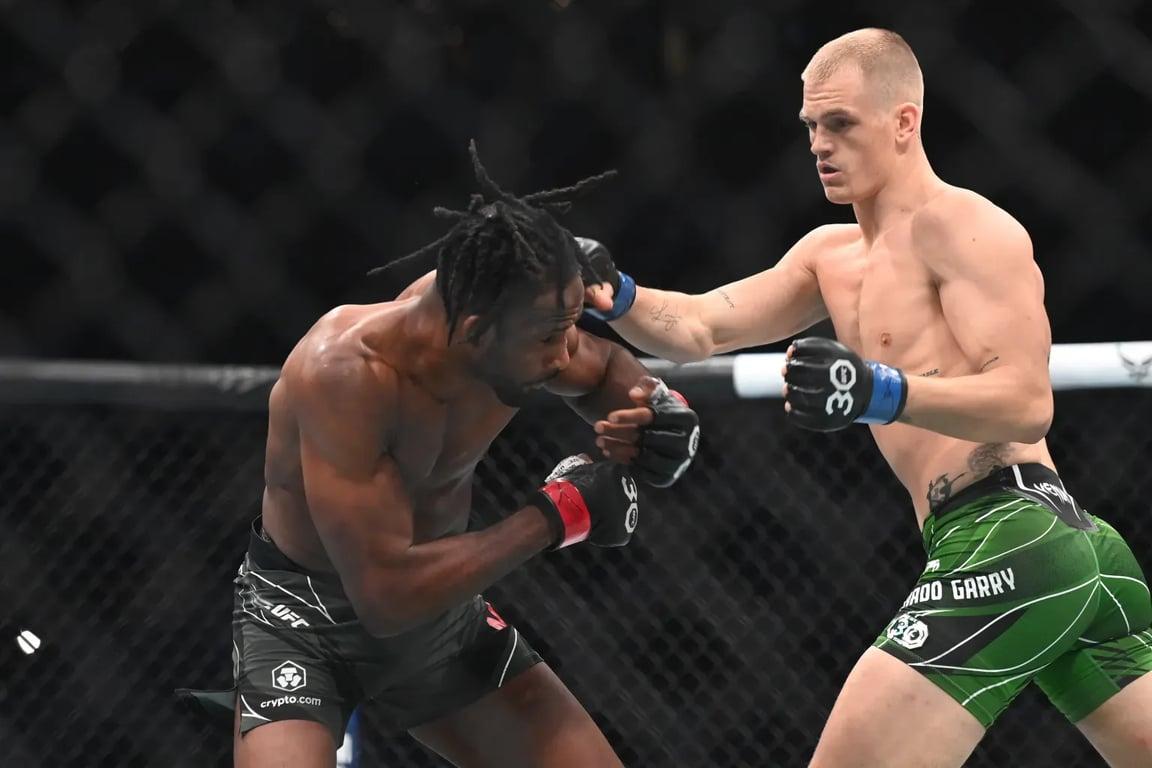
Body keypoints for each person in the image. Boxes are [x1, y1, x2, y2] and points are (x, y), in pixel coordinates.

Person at [581, 28, 1152, 768]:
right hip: (1061, 553)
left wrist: (879, 391)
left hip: (1012, 532)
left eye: (841, 123)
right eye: (812, 127)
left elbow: (1026, 402)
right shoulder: (830, 256)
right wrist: (604, 291)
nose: (820, 143)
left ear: (904, 122)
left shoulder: (963, 226)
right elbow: (698, 324)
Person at [184, 143, 701, 768]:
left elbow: (603, 375)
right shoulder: (345, 373)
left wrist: (659, 414)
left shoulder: (522, 324)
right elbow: (384, 592)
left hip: (442, 623)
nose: (565, 354)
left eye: (568, 327)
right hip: (303, 620)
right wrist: (560, 512)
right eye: (546, 336)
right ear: (476, 327)